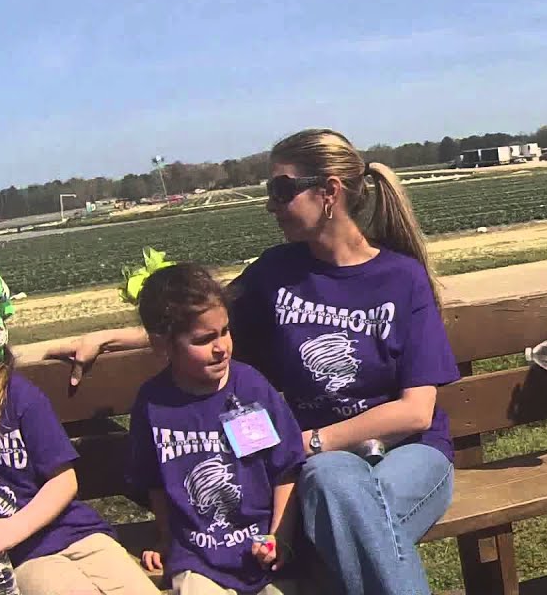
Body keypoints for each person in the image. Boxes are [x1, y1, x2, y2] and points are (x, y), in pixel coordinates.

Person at [51, 129, 461, 595]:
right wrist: (107, 337)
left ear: (328, 191)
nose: (270, 204)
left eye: (281, 190)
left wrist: (307, 442)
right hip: (323, 471)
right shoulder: (276, 272)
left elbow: (415, 412)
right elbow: (196, 326)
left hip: (410, 454)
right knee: (332, 488)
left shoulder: (402, 278)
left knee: (344, 512)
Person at [0, 267, 158, 595]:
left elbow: (64, 480)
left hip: (76, 534)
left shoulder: (14, 394)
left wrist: (15, 527)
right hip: (18, 559)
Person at [129, 263, 305, 595]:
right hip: (195, 557)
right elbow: (153, 480)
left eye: (224, 331)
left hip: (261, 551)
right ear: (164, 345)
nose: (221, 346)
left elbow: (286, 468)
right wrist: (166, 537)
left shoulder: (250, 387)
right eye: (204, 339)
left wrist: (279, 536)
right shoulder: (153, 404)